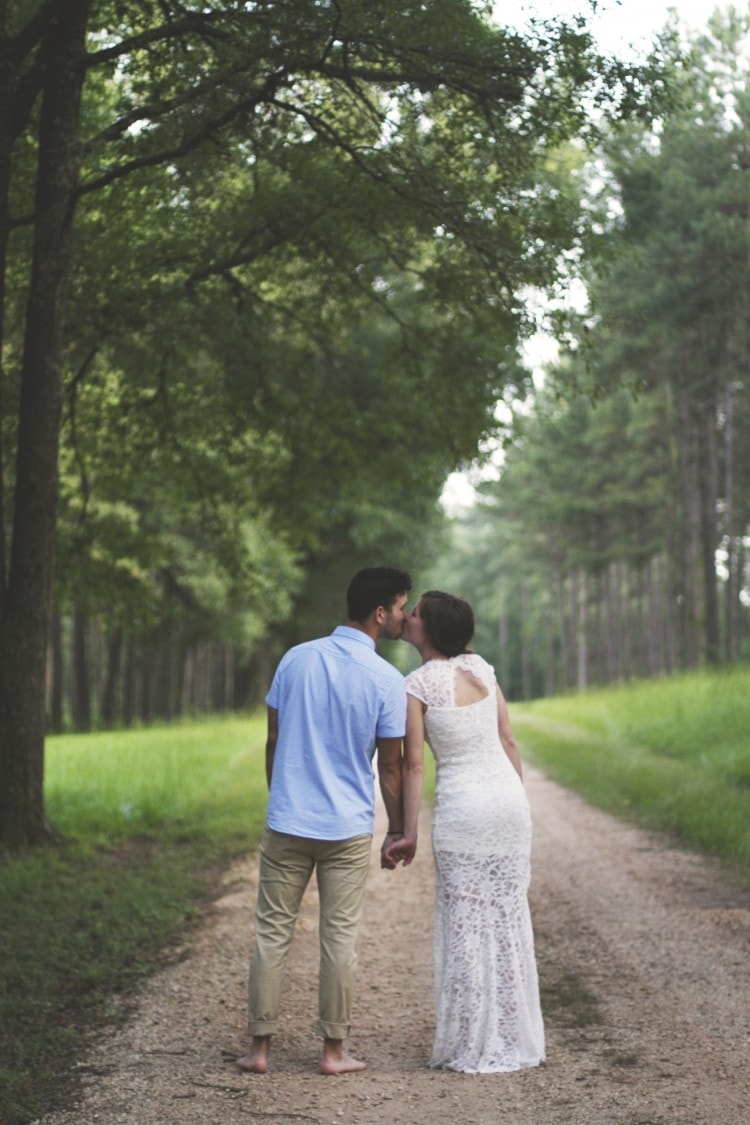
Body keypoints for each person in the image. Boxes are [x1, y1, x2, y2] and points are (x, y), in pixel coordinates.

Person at [238, 566, 415, 1077]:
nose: (404, 616)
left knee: (272, 932)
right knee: (339, 938)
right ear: (379, 613)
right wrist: (397, 829)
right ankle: (334, 1052)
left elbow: (274, 738)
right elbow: (391, 766)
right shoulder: (387, 679)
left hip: (287, 820)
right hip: (346, 829)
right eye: (401, 607)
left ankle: (259, 1050)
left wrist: (282, 797)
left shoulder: (296, 658)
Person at [387, 590, 545, 1073]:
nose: (407, 618)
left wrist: (407, 832)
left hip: (464, 810)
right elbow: (508, 741)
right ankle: (513, 1036)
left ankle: (473, 1041)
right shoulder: (482, 670)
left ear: (431, 630)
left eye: (415, 615)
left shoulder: (416, 685)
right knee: (508, 916)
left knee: (466, 922)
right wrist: (517, 803)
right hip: (508, 804)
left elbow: (414, 766)